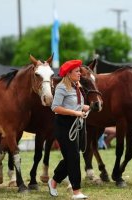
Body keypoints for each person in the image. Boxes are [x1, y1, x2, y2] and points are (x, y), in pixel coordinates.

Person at [48, 59, 90, 199]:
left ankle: (53, 182)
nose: (80, 74)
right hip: (64, 125)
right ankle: (76, 192)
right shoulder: (61, 88)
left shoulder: (76, 87)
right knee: (74, 157)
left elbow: (77, 105)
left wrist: (88, 108)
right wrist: (75, 113)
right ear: (68, 73)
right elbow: (55, 107)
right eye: (77, 71)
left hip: (75, 125)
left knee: (70, 158)